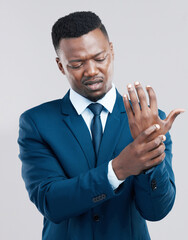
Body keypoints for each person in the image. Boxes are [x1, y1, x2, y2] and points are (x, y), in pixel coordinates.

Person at [18, 11, 184, 240]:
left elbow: (156, 212)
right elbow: (51, 202)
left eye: (99, 58)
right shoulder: (37, 123)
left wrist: (150, 161)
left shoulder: (149, 119)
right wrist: (118, 170)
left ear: (111, 52)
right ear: (60, 65)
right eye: (77, 63)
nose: (92, 71)